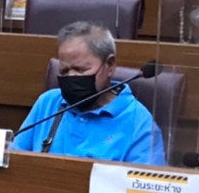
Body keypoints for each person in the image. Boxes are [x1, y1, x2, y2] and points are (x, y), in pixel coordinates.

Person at [11, 22, 164, 165]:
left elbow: (143, 183)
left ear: (110, 65)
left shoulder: (139, 123)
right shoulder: (48, 102)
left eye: (80, 70)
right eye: (64, 71)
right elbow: (13, 159)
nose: (71, 77)